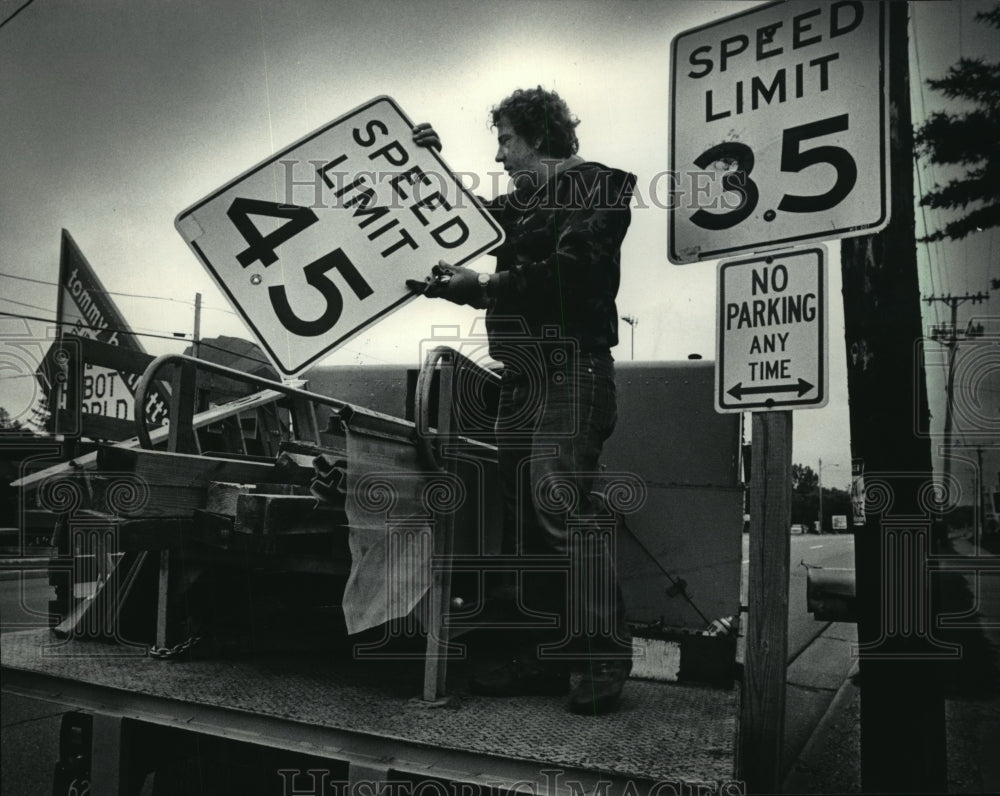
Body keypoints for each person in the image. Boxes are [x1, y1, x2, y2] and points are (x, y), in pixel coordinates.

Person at [410, 87, 636, 715]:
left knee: (558, 510)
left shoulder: (598, 186)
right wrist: (426, 166)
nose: (501, 153)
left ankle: (600, 661)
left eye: (507, 139)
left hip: (572, 370)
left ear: (539, 135)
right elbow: (464, 217)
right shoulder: (521, 203)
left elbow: (575, 272)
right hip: (521, 377)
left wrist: (479, 286)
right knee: (524, 528)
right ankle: (543, 659)